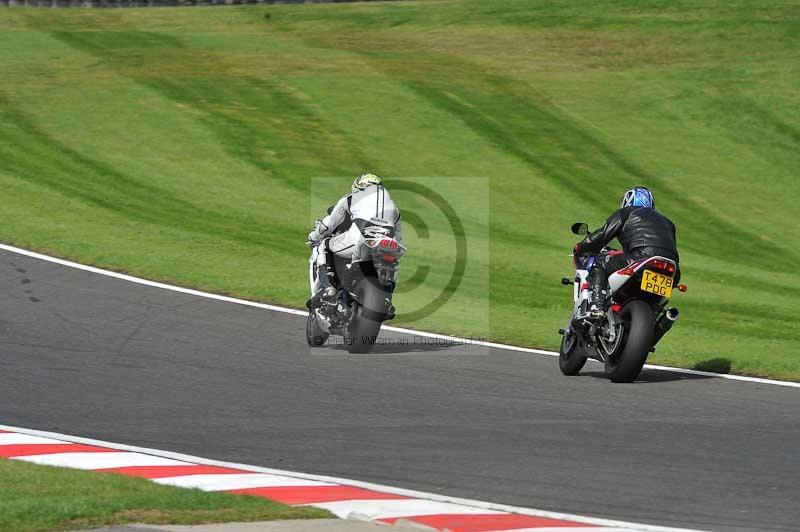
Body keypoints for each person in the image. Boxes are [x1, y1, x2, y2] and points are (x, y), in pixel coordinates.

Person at [573, 186, 679, 321]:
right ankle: (658, 319)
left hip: (641, 258)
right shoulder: (668, 222)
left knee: (599, 261)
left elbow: (603, 235)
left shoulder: (626, 213)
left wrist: (581, 247)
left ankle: (596, 307)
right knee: (656, 307)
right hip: (672, 268)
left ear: (626, 202)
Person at [307, 174, 404, 306]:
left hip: (359, 238)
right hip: (387, 242)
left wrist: (314, 236)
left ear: (359, 187)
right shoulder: (394, 209)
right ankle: (387, 298)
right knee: (393, 262)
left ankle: (328, 286)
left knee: (323, 245)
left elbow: (327, 225)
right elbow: (399, 239)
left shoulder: (351, 198)